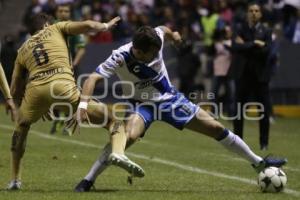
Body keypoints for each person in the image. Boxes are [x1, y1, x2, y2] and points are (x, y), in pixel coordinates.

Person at [73, 25, 287, 192]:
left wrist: (174, 35)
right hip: (143, 106)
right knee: (125, 138)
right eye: (152, 54)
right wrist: (83, 105)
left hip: (171, 102)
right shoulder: (120, 57)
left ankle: (259, 163)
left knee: (215, 128)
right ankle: (87, 180)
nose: (157, 56)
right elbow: (92, 79)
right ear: (138, 51)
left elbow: (164, 30)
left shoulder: (153, 37)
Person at [8, 13, 144, 190]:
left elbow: (15, 87)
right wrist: (104, 26)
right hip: (61, 84)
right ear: (46, 24)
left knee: (21, 127)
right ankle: (118, 153)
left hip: (36, 90)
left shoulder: (22, 50)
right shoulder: (55, 28)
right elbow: (87, 25)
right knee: (113, 120)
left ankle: (15, 180)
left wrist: (21, 107)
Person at [228, 3, 273, 150]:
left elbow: (266, 52)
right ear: (247, 13)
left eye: (256, 11)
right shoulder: (239, 28)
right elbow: (235, 47)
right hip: (242, 75)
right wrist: (255, 43)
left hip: (260, 77)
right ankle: (238, 142)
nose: (254, 13)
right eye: (251, 11)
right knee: (239, 111)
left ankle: (264, 143)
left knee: (264, 112)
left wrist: (246, 45)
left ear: (260, 14)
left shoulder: (266, 30)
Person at [50, 3, 87, 135]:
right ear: (56, 13)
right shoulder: (50, 27)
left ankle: (67, 123)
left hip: (70, 67)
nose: (63, 13)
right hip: (53, 67)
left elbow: (81, 48)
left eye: (66, 11)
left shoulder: (74, 27)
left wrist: (74, 64)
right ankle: (59, 118)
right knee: (54, 95)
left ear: (69, 13)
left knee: (71, 96)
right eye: (61, 10)